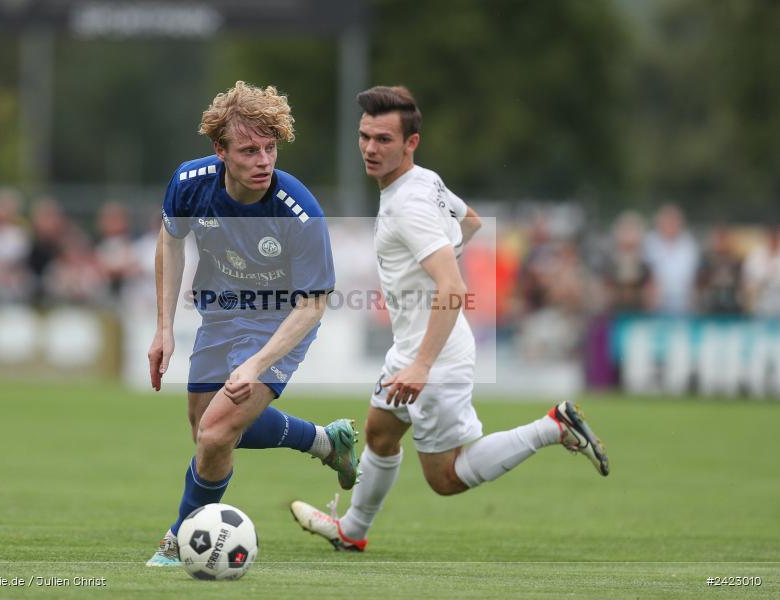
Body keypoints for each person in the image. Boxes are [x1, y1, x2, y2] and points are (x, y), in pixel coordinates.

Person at [290, 86, 609, 552]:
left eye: (383, 139)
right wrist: (434, 261)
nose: (370, 148)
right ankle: (352, 532)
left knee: (446, 477)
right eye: (365, 137)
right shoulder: (423, 181)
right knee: (380, 432)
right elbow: (472, 222)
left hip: (432, 356)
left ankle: (552, 427)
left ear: (410, 143)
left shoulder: (409, 205)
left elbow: (454, 288)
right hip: (412, 347)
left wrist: (421, 365)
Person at [145, 81, 359, 566]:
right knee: (205, 429)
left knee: (218, 432)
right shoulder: (190, 183)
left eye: (270, 147)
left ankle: (181, 540)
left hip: (280, 321)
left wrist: (257, 364)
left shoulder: (298, 211)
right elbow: (171, 239)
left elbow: (312, 305)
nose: (264, 160)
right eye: (248, 150)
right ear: (220, 151)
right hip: (220, 314)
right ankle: (326, 442)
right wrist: (162, 328)